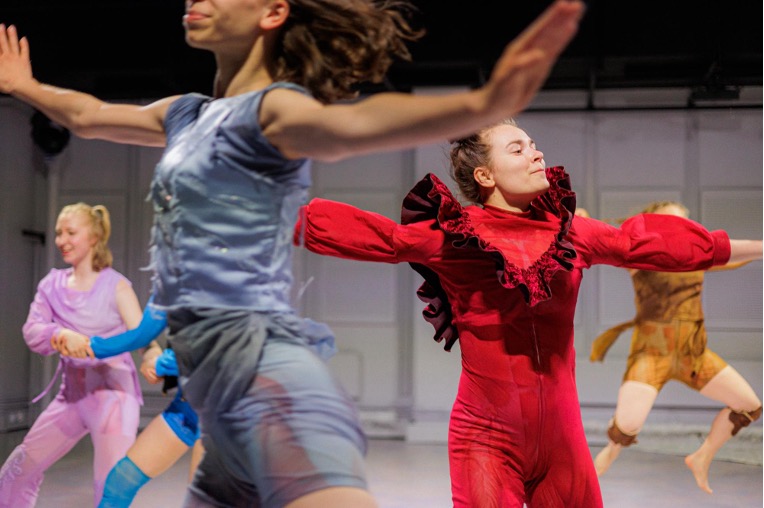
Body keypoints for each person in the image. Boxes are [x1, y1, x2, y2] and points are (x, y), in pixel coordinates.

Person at [0, 1, 587, 505]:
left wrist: (485, 102)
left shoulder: (274, 110)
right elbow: (90, 115)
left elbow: (356, 124)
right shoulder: (185, 112)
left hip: (262, 366)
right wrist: (27, 89)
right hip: (207, 377)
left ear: (272, 13)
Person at [291, 119, 764, 507]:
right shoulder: (456, 238)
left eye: (534, 145)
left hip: (563, 441)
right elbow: (382, 239)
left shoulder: (572, 233)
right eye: (518, 149)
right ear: (485, 176)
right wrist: (254, 223)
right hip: (486, 439)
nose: (537, 154)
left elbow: (650, 243)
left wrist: (758, 246)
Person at [589, 200, 763, 494]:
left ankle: (702, 456)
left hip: (693, 355)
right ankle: (611, 449)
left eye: (686, 222)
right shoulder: (638, 257)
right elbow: (601, 240)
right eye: (673, 223)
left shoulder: (698, 254)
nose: (682, 229)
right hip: (651, 353)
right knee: (627, 427)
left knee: (749, 405)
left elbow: (734, 252)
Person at [0, 202, 143, 508]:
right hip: (72, 397)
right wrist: (60, 334)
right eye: (58, 233)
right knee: (17, 469)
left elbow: (143, 335)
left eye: (70, 232)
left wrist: (156, 355)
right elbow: (32, 330)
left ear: (93, 237)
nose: (62, 240)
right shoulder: (51, 285)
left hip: (113, 398)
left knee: (110, 488)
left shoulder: (116, 286)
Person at [51, 296, 206, 508]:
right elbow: (141, 335)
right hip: (186, 410)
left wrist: (161, 365)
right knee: (119, 483)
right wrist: (91, 346)